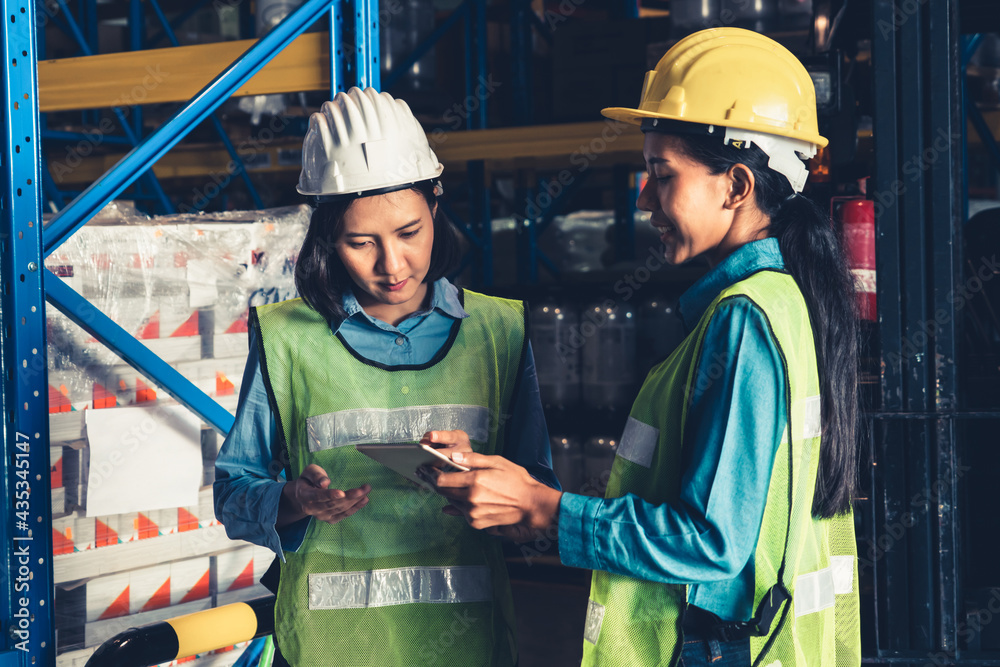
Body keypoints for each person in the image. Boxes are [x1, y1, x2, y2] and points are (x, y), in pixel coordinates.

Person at [432, 27, 862, 667]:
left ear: (736, 185)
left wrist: (550, 507)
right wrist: (537, 512)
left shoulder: (745, 318)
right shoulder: (788, 301)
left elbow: (711, 545)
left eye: (662, 175)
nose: (644, 199)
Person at [213, 86, 558, 667]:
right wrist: (293, 499)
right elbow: (233, 494)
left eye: (408, 233)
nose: (392, 265)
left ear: (436, 209)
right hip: (328, 652)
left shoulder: (499, 332)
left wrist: (488, 486)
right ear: (327, 239)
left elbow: (539, 504)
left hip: (465, 648)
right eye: (361, 242)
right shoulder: (287, 338)